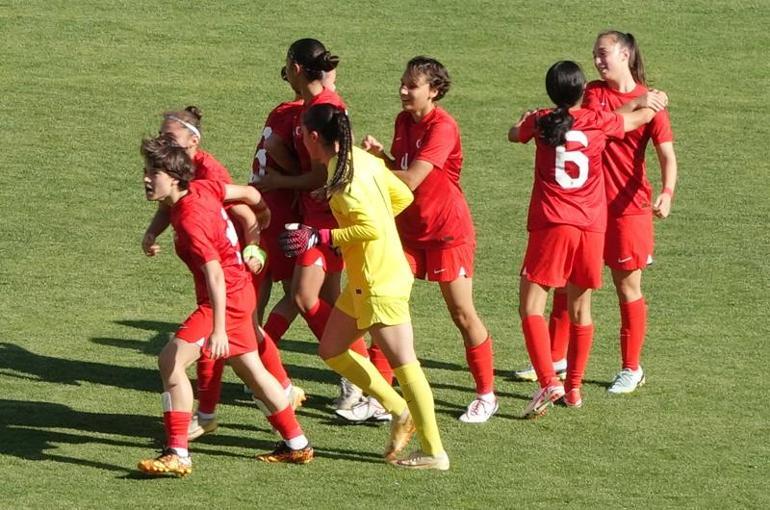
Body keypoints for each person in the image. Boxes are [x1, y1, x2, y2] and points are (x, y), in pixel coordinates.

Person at [280, 103, 449, 469]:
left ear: (313, 138)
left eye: (302, 134)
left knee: (406, 364)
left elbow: (369, 227)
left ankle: (434, 451)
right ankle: (397, 409)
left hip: (378, 282)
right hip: (367, 278)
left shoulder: (344, 184)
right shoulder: (361, 161)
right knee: (332, 349)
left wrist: (321, 236)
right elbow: (402, 196)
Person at [137, 134, 313, 477]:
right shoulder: (202, 188)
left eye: (153, 172)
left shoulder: (190, 220)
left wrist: (217, 328)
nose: (146, 177)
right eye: (146, 169)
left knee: (170, 361)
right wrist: (260, 219)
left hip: (225, 300)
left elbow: (214, 275)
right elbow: (249, 194)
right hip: (240, 292)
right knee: (252, 370)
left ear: (173, 178)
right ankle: (298, 445)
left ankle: (177, 453)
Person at [507, 60, 661, 417]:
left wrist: (521, 121)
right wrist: (650, 100)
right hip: (592, 227)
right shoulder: (597, 120)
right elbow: (633, 120)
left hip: (552, 224)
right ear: (583, 91)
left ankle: (548, 381)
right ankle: (574, 389)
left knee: (531, 306)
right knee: (581, 309)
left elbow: (513, 134)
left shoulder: (542, 120)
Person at [360, 56, 497, 423]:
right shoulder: (403, 120)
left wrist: (369, 166)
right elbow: (400, 170)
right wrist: (381, 158)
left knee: (462, 313)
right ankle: (381, 397)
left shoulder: (443, 128)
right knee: (384, 305)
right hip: (408, 232)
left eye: (412, 85)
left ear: (434, 90)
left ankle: (486, 394)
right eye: (402, 83)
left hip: (447, 233)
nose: (403, 90)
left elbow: (410, 181)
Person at [255, 38, 385, 411]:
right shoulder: (313, 105)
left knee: (303, 296)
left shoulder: (328, 107)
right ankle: (358, 382)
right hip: (316, 216)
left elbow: (329, 170)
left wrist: (281, 182)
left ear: (296, 68)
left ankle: (359, 376)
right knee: (327, 299)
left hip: (329, 220)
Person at [586, 30, 678, 394]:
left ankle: (631, 368)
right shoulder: (594, 92)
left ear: (625, 55)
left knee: (627, 287)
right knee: (572, 284)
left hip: (630, 209)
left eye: (603, 53)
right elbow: (595, 123)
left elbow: (667, 156)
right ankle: (556, 360)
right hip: (590, 205)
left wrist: (668, 193)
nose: (597, 59)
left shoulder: (654, 106)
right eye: (595, 53)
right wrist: (640, 104)